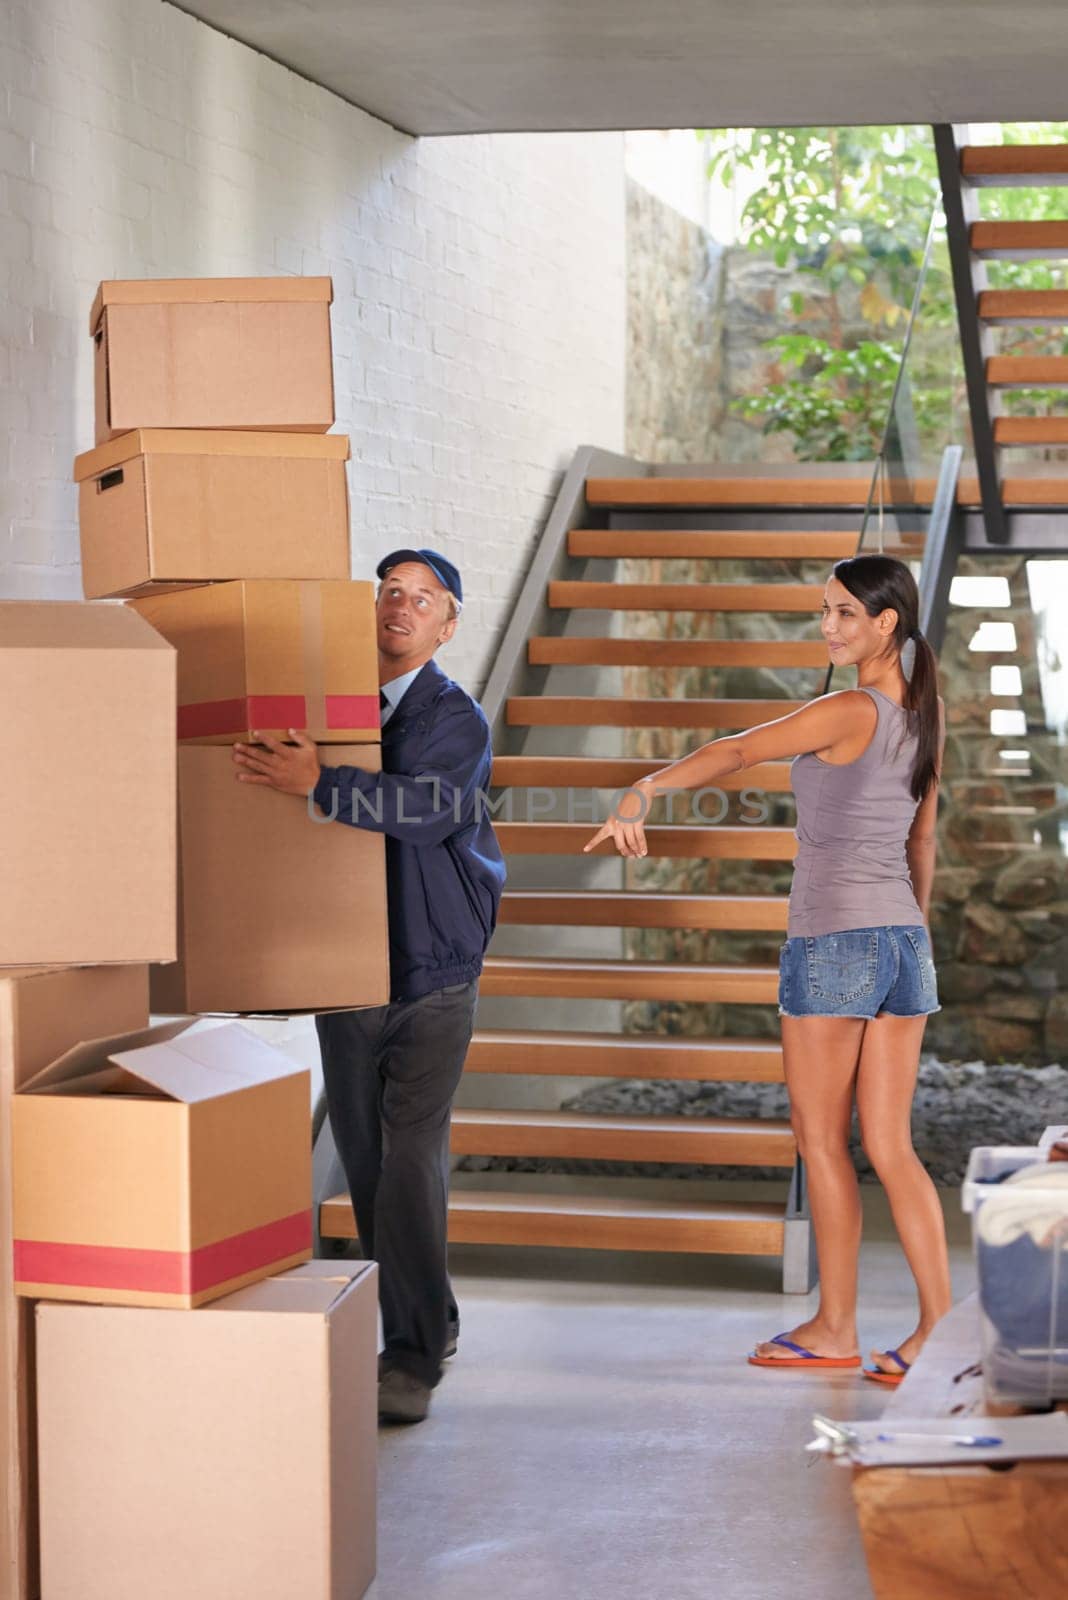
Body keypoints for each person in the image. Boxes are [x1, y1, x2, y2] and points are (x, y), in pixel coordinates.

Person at [585, 554, 951, 1383]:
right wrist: (907, 931)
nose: (827, 627)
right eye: (823, 612)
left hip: (834, 941)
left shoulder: (847, 707)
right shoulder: (926, 714)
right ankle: (935, 1332)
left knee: (822, 1142)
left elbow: (735, 750)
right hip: (902, 941)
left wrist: (644, 790)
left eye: (844, 614)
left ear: (886, 623)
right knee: (892, 1147)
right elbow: (921, 842)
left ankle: (836, 1328)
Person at [233, 548, 506, 1423]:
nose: (402, 607)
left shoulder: (454, 716)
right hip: (346, 973)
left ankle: (414, 1359)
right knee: (367, 1163)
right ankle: (436, 1318)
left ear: (448, 624)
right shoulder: (332, 711)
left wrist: (319, 782)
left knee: (409, 1166)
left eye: (423, 599)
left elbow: (425, 811)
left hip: (432, 974)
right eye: (390, 593)